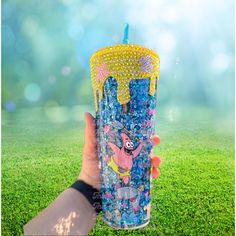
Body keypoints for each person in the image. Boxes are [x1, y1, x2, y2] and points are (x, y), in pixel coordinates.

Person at [24, 112, 161, 235]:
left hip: (126, 177)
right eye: (126, 142)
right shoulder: (118, 150)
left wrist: (142, 144)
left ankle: (134, 209)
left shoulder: (131, 152)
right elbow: (112, 146)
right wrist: (89, 186)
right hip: (116, 174)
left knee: (133, 190)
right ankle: (125, 209)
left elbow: (137, 150)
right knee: (126, 189)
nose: (128, 144)